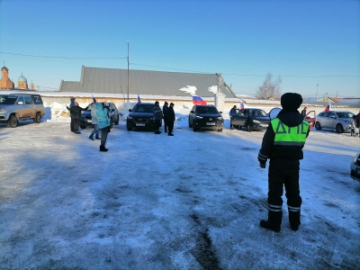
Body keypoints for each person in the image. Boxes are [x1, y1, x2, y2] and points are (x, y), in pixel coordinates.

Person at [258, 92, 310, 233]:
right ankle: (295, 223)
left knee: (275, 193)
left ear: (283, 104)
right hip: (294, 164)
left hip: (277, 164)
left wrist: (262, 160)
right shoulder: (305, 124)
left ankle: (274, 224)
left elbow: (266, 145)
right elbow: (301, 143)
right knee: (293, 192)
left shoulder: (275, 123)